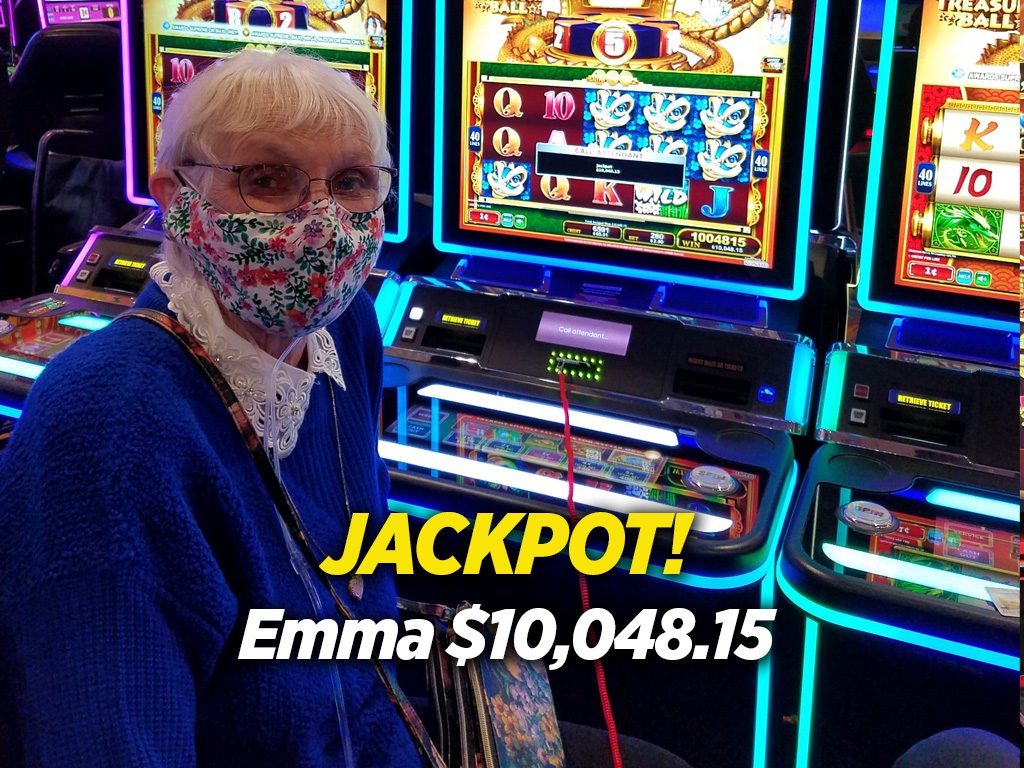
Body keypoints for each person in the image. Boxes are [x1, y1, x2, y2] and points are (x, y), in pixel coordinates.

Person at [0, 48, 693, 768]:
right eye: (268, 179)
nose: (323, 223)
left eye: (354, 182)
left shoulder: (343, 325)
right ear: (176, 197)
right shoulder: (104, 429)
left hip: (375, 726)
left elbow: (364, 580)